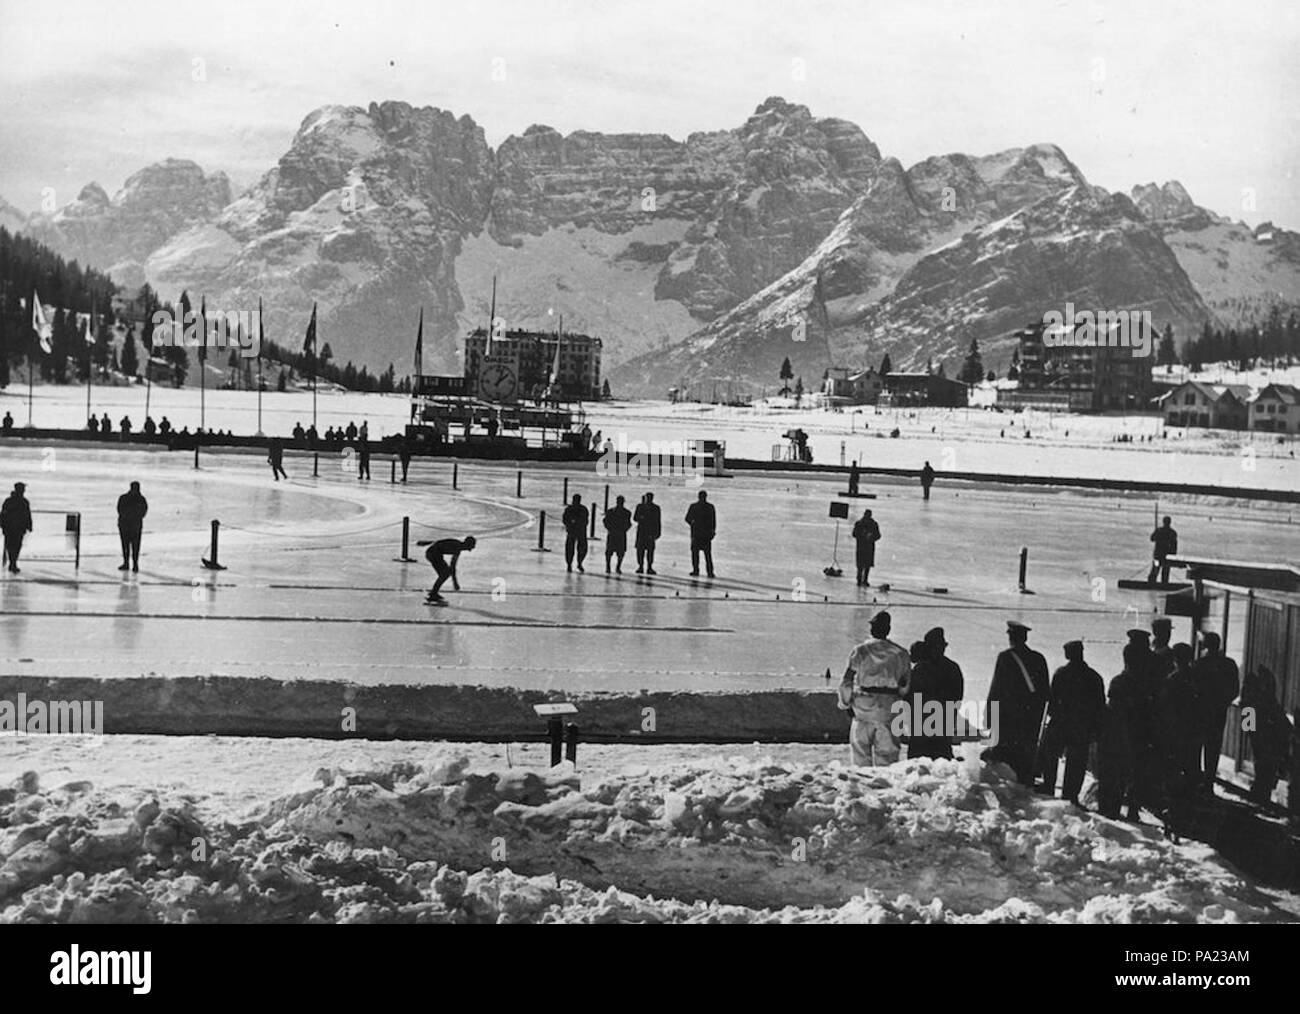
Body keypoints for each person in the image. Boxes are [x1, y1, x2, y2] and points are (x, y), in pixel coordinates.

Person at [838, 611, 912, 766]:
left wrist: (846, 703)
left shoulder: (861, 650)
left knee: (860, 754)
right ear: (888, 629)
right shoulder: (902, 654)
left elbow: (847, 680)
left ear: (872, 629)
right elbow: (905, 685)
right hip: (889, 708)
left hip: (863, 706)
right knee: (888, 757)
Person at [1038, 641, 1105, 806]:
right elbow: (1099, 707)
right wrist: (1094, 730)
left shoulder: (1061, 673)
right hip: (1082, 726)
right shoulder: (1094, 677)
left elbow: (1052, 701)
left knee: (1051, 755)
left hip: (1061, 722)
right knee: (1077, 762)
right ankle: (1070, 795)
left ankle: (1048, 787)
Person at [982, 620, 1049, 785]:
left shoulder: (1005, 658)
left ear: (1011, 638)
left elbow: (996, 689)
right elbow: (1045, 692)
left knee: (1007, 757)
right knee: (1025, 756)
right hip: (1030, 718)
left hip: (1008, 718)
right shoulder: (1039, 659)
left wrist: (989, 716)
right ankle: (1026, 785)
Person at [1097, 643, 1146, 820]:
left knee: (1114, 773)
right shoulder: (1145, 684)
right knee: (1134, 774)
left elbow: (1112, 710)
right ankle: (1133, 810)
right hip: (1140, 735)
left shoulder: (1119, 681)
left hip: (1118, 735)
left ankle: (1110, 810)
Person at [1190, 632, 1239, 794]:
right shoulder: (1229, 664)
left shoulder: (1198, 665)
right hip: (1218, 712)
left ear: (1205, 646)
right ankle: (1209, 783)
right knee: (1214, 747)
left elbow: (1192, 690)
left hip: (1199, 712)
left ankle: (1196, 781)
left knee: (1197, 746)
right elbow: (1234, 690)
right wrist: (1222, 702)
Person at [905, 627, 964, 760]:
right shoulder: (953, 668)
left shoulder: (920, 669)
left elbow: (908, 697)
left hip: (921, 726)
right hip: (943, 725)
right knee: (943, 763)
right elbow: (957, 698)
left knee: (917, 765)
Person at [1242, 665, 1289, 805]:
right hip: (1265, 731)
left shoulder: (1253, 695)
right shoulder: (1266, 697)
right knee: (1264, 762)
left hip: (1263, 731)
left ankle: (1260, 792)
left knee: (1262, 761)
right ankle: (1262, 792)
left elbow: (1247, 713)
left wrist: (1250, 730)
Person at [416, 535, 476, 604]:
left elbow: (441, 542)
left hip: (435, 553)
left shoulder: (457, 545)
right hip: (433, 554)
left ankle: (434, 592)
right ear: (467, 544)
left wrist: (426, 543)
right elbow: (453, 566)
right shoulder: (457, 547)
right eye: (470, 547)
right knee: (445, 574)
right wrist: (455, 582)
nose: (470, 550)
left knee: (444, 574)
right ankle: (433, 594)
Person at [115, 481, 148, 572]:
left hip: (124, 525)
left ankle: (127, 563)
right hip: (135, 526)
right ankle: (135, 564)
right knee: (135, 546)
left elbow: (119, 509)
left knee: (125, 545)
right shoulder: (141, 499)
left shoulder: (123, 498)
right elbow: (144, 511)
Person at [1, 482, 33, 574]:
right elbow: (3, 514)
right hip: (14, 528)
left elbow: (27, 515)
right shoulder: (21, 502)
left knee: (13, 546)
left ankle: (12, 562)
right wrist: (29, 525)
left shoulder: (11, 501)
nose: (24, 490)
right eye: (23, 489)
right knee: (14, 546)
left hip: (13, 528)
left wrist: (29, 525)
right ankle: (13, 563)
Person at [685, 490, 716, 578]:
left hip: (700, 534)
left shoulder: (696, 506)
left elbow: (713, 521)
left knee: (704, 554)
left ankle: (701, 571)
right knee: (701, 554)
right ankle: (706, 571)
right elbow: (687, 518)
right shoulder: (708, 507)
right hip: (700, 534)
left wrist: (693, 524)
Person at [603, 494, 632, 574]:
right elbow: (605, 521)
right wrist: (609, 529)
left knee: (621, 553)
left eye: (621, 502)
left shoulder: (627, 513)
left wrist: (624, 530)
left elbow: (629, 524)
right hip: (612, 534)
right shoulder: (610, 511)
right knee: (609, 552)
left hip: (621, 534)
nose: (620, 503)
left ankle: (618, 567)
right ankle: (608, 567)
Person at [851, 508, 880, 587]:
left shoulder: (873, 524)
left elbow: (878, 535)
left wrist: (871, 536)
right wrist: (863, 535)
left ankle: (863, 580)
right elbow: (854, 534)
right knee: (861, 565)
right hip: (862, 546)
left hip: (867, 547)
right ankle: (860, 580)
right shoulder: (859, 523)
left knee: (866, 565)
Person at [633, 492, 661, 574]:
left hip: (651, 532)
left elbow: (658, 521)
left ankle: (649, 567)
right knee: (640, 550)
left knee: (650, 551)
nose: (649, 499)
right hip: (642, 531)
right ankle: (640, 566)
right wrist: (641, 517)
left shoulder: (656, 508)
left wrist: (658, 532)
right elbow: (635, 518)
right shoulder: (640, 507)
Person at [562, 494, 589, 573]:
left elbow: (586, 521)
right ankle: (570, 564)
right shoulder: (569, 509)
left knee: (582, 549)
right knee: (570, 549)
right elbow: (565, 520)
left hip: (580, 531)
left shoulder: (583, 509)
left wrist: (576, 522)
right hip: (573, 531)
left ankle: (579, 563)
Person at [1148, 515, 1178, 584]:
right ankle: (1159, 583)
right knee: (1160, 571)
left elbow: (1152, 539)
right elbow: (1152, 539)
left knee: (1159, 571)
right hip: (1162, 555)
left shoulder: (1163, 531)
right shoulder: (1171, 532)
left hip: (1162, 555)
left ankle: (1155, 583)